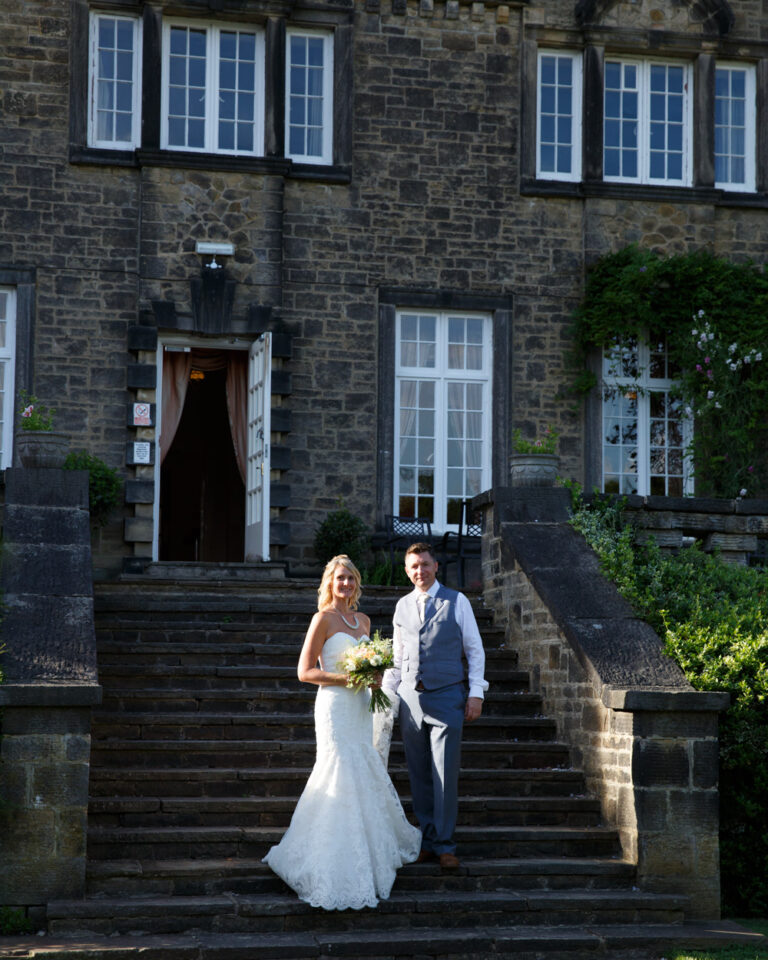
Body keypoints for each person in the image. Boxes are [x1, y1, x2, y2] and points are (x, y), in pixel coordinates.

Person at [262, 554, 421, 910]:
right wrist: (347, 678)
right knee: (337, 771)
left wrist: (375, 679)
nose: (346, 584)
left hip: (361, 707)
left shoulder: (363, 620)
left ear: (356, 583)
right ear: (329, 584)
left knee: (362, 770)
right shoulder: (323, 619)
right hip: (334, 706)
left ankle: (366, 853)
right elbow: (305, 671)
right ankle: (328, 862)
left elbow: (372, 668)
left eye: (350, 579)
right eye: (340, 579)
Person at [385, 541, 488, 869]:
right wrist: (388, 695)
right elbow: (397, 657)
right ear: (406, 570)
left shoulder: (458, 602)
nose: (420, 571)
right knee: (418, 774)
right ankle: (427, 839)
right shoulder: (402, 606)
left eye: (425, 565)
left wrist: (476, 694)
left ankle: (445, 845)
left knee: (444, 773)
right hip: (410, 699)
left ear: (435, 567)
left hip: (447, 696)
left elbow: (474, 649)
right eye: (413, 566)